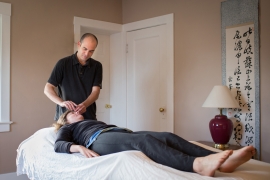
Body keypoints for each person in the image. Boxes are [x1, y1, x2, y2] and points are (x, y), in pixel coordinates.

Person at [54, 110, 256, 177]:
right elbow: (59, 145)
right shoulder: (67, 128)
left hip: (116, 133)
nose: (77, 111)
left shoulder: (90, 119)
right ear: (65, 118)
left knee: (167, 135)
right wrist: (79, 147)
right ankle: (197, 165)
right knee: (143, 141)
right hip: (97, 140)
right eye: (72, 112)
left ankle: (221, 163)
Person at [44, 33, 102, 120]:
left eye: (91, 51)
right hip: (65, 117)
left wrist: (84, 105)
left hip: (88, 117)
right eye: (85, 49)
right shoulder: (63, 63)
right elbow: (48, 89)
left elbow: (96, 92)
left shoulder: (97, 66)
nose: (86, 54)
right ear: (79, 44)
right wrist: (62, 103)